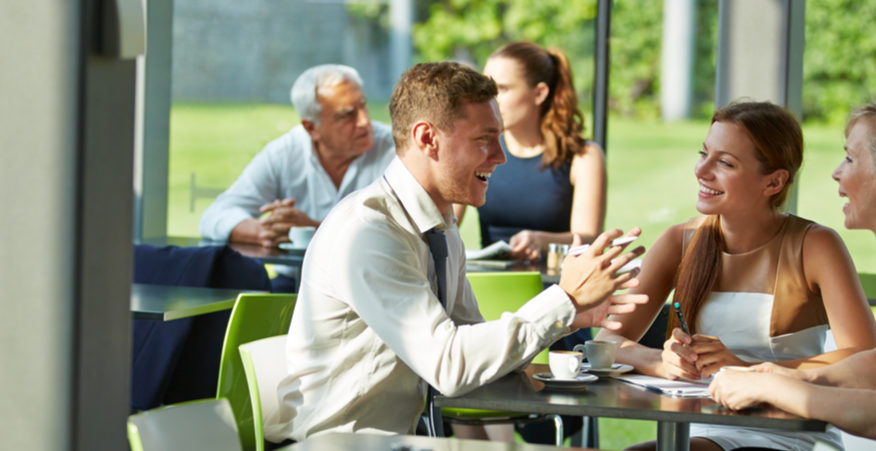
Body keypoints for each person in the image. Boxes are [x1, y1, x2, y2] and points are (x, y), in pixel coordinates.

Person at [265, 61, 647, 443]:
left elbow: (472, 349)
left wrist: (569, 314)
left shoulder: (439, 226)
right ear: (427, 138)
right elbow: (449, 366)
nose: (500, 156)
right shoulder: (370, 233)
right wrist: (563, 299)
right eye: (485, 138)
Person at [594, 101, 876, 451]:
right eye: (704, 153)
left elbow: (864, 355)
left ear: (774, 182)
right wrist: (660, 361)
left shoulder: (815, 245)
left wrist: (748, 369)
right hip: (698, 425)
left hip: (790, 433)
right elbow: (606, 343)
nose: (702, 170)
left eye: (725, 163)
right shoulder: (678, 243)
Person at [709, 104, 876, 441]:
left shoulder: (815, 244)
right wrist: (774, 374)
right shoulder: (685, 239)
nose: (836, 173)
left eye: (850, 158)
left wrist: (771, 385)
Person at [199, 64, 395, 292]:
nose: (364, 121)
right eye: (347, 115)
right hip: (297, 286)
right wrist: (264, 231)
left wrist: (313, 229)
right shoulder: (284, 153)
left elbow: (400, 231)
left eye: (363, 106)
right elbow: (214, 216)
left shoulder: (395, 150)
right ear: (311, 128)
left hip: (373, 285)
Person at [456, 41, 606, 262]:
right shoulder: (477, 148)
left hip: (558, 286)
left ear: (539, 93)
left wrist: (541, 240)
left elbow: (589, 238)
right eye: (486, 90)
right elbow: (444, 224)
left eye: (503, 89)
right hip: (490, 283)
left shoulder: (584, 156)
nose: (490, 101)